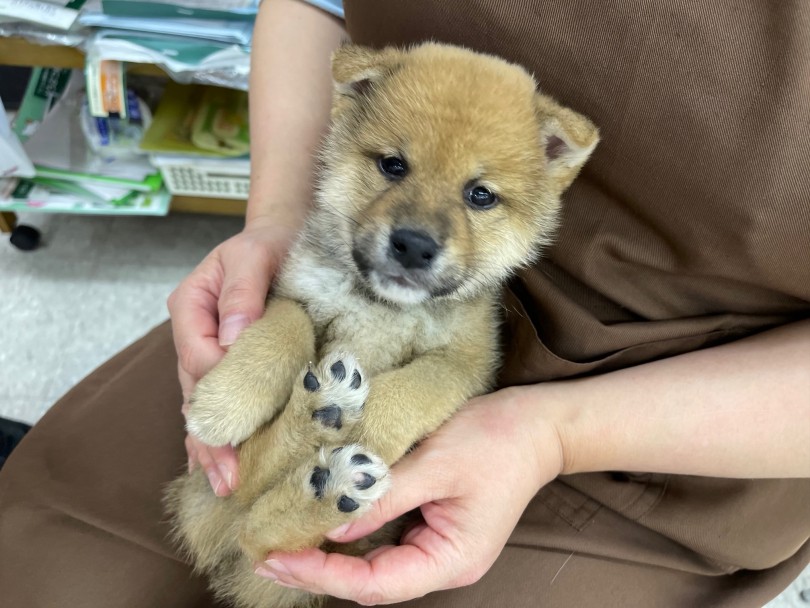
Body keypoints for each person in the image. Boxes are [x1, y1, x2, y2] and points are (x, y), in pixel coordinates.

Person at [0, 1, 808, 607]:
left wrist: (554, 437)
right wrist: (279, 223)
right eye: (392, 165)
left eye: (481, 195)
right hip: (326, 276)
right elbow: (314, 4)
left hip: (688, 429)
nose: (423, 229)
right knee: (47, 567)